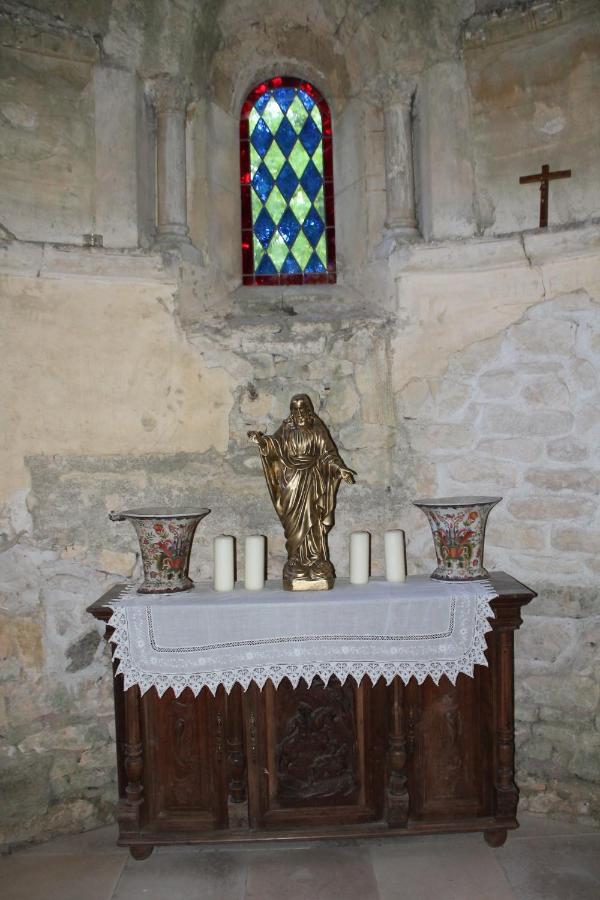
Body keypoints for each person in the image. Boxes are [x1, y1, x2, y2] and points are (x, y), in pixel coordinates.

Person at [248, 394, 356, 589]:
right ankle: (296, 558)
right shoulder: (286, 430)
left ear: (308, 410)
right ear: (291, 412)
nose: (299, 413)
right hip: (291, 485)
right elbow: (274, 446)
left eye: (302, 409)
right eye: (295, 409)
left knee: (314, 522)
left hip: (313, 482)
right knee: (294, 524)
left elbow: (328, 455)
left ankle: (316, 560)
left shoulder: (317, 430)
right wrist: (261, 441)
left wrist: (340, 469)